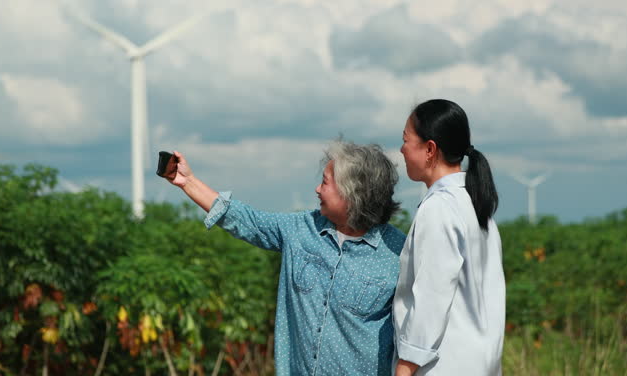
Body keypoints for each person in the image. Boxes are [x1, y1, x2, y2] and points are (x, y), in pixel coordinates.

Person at [162, 140, 406, 375]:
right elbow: (247, 220)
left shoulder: (400, 252)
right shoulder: (301, 228)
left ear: (352, 194)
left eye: (325, 182)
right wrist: (188, 182)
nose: (317, 189)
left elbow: (419, 327)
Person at [393, 99, 505, 376]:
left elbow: (431, 296)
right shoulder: (476, 205)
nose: (401, 150)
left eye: (406, 140)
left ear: (430, 149)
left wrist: (406, 366)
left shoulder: (439, 209)